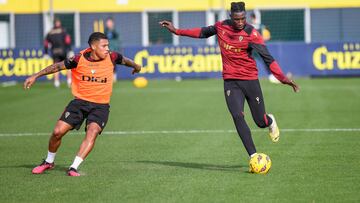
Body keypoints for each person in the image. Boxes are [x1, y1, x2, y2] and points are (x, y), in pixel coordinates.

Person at [159, 2, 299, 169]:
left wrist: (284, 79)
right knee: (237, 115)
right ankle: (253, 156)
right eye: (237, 19)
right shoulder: (221, 27)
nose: (240, 22)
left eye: (243, 19)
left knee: (260, 122)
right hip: (231, 82)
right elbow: (202, 32)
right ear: (231, 17)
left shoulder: (252, 34)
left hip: (250, 80)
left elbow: (268, 59)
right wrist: (177, 31)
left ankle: (270, 121)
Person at [24, 32, 142, 176]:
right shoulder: (78, 59)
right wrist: (35, 76)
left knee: (92, 133)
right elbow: (57, 67)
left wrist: (136, 66)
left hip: (101, 105)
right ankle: (49, 162)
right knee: (57, 132)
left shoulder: (112, 57)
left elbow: (125, 60)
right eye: (104, 46)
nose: (107, 49)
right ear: (93, 46)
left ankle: (73, 167)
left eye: (108, 45)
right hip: (79, 103)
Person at [249, 12, 279, 83]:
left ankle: (271, 76)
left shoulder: (256, 26)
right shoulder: (256, 26)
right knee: (263, 62)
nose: (253, 19)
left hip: (255, 47)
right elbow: (267, 36)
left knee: (264, 61)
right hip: (255, 48)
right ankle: (271, 76)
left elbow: (267, 36)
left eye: (253, 18)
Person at [44, 18, 73, 88]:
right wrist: (70, 50)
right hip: (62, 50)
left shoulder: (50, 32)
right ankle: (68, 81)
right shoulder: (63, 30)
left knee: (56, 66)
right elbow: (67, 40)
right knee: (67, 65)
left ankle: (57, 82)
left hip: (54, 51)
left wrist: (46, 52)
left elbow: (46, 43)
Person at [104, 17, 121, 82]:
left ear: (112, 23)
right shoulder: (105, 31)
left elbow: (118, 40)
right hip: (106, 50)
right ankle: (107, 77)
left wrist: (116, 49)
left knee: (113, 63)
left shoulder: (115, 31)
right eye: (108, 22)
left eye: (110, 22)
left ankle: (114, 77)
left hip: (114, 50)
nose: (109, 24)